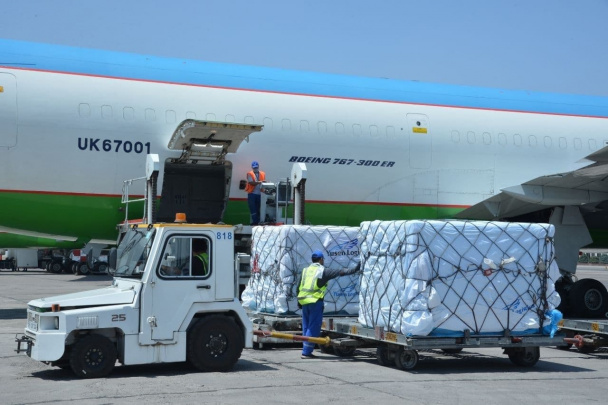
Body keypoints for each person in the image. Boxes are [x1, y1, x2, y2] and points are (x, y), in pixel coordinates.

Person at [297, 250, 359, 359]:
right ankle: (306, 352)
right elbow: (340, 272)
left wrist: (299, 301)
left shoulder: (305, 270)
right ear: (321, 259)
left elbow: (298, 287)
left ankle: (305, 350)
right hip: (315, 302)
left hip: (304, 302)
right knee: (313, 327)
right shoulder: (322, 271)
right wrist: (355, 269)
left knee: (306, 327)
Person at [245, 160, 266, 225]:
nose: (255, 169)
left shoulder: (262, 173)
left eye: (256, 167)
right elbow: (251, 183)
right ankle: (255, 222)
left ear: (258, 166)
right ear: (252, 167)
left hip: (259, 194)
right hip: (252, 194)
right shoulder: (250, 174)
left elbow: (264, 182)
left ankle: (258, 221)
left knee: (258, 208)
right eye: (254, 167)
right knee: (253, 208)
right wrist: (260, 182)